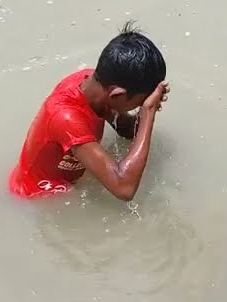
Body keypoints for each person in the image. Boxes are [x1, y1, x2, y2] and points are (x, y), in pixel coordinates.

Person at [9, 22, 169, 201]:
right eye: (138, 102)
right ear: (117, 95)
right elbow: (124, 188)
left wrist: (143, 113)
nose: (141, 105)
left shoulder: (96, 87)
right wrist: (148, 112)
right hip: (40, 196)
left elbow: (127, 131)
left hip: (66, 182)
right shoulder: (67, 118)